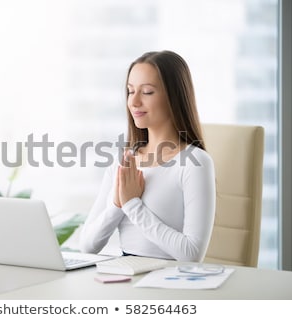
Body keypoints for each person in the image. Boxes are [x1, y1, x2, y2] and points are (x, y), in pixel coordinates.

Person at [79, 50, 216, 262]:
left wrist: (132, 205)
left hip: (168, 284)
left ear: (174, 96)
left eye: (147, 92)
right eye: (130, 91)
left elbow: (192, 254)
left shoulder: (195, 163)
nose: (133, 102)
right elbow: (88, 245)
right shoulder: (123, 162)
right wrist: (117, 204)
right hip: (126, 280)